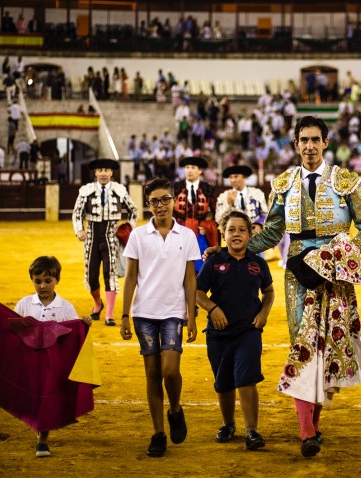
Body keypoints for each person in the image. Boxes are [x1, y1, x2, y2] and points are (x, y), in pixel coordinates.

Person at [246, 116, 361, 457]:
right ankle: (307, 431)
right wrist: (239, 247)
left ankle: (313, 427)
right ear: (295, 144)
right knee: (303, 345)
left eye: (315, 139)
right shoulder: (283, 183)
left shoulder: (345, 181)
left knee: (329, 347)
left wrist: (339, 256)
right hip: (297, 274)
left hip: (334, 275)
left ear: (326, 142)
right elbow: (273, 232)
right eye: (303, 140)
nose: (309, 146)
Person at [0, 256, 93, 458]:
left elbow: (71, 337)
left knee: (45, 397)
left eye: (47, 281)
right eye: (38, 281)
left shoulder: (66, 307)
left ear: (57, 280)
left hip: (52, 364)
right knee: (33, 396)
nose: (43, 285)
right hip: (28, 362)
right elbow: (10, 328)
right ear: (32, 280)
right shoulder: (25, 304)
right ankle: (39, 428)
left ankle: (42, 438)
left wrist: (83, 323)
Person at [120, 177, 199, 458]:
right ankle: (158, 433)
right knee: (152, 373)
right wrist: (125, 314)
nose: (160, 205)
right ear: (148, 204)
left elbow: (191, 279)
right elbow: (130, 278)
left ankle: (175, 408)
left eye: (165, 199)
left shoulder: (187, 235)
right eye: (154, 201)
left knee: (169, 371)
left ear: (175, 200)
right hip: (144, 313)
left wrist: (192, 315)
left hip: (174, 312)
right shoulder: (138, 236)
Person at [197, 209, 274, 450]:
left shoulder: (258, 263)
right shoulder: (214, 262)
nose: (237, 234)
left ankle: (252, 430)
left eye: (242, 230)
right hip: (218, 333)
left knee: (247, 379)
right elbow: (198, 293)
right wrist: (212, 308)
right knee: (224, 381)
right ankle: (228, 424)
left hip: (248, 331)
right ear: (223, 233)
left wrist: (263, 313)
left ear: (251, 234)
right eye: (231, 230)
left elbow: (269, 291)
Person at [72, 158, 137, 327]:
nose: (103, 173)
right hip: (91, 238)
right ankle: (98, 303)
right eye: (100, 170)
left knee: (110, 276)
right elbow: (77, 213)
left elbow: (133, 211)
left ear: (111, 173)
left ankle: (109, 314)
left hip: (111, 238)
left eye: (106, 170)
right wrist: (79, 229)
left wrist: (129, 227)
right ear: (95, 173)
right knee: (92, 277)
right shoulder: (86, 190)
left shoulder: (119, 190)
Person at [173, 156, 219, 267]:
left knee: (201, 267)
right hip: (180, 232)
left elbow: (217, 213)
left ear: (199, 171)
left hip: (201, 234)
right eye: (187, 167)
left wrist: (208, 226)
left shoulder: (208, 188)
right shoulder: (177, 187)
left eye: (193, 167)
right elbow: (171, 211)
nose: (189, 170)